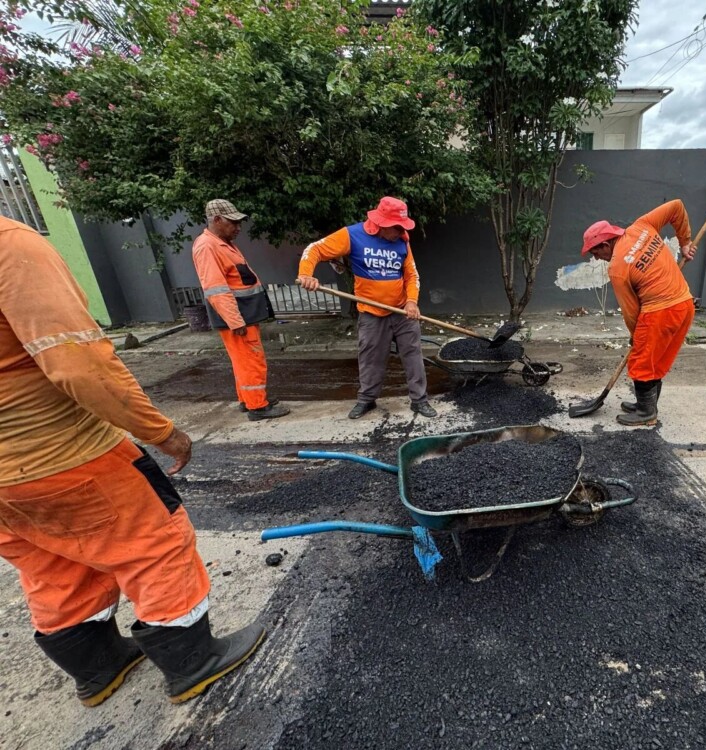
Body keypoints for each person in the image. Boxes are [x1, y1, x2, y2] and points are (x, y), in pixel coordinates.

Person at [0, 216, 264, 706]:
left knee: (51, 562)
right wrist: (162, 433)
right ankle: (193, 663)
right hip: (62, 455)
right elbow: (82, 366)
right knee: (156, 545)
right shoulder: (10, 247)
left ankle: (98, 670)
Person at [296, 196, 437, 419]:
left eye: (403, 226)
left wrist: (411, 301)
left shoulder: (402, 240)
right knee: (370, 358)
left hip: (402, 311)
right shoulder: (352, 235)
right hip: (372, 313)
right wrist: (306, 274)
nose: (401, 231)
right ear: (382, 223)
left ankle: (419, 400)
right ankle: (367, 399)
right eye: (397, 226)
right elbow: (314, 250)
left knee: (413, 355)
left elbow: (411, 275)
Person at [580, 200, 697, 426]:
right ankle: (647, 405)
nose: (595, 258)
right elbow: (677, 206)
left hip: (660, 312)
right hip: (684, 304)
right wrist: (685, 243)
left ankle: (646, 413)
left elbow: (631, 311)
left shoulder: (617, 268)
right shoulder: (642, 226)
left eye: (595, 252)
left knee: (641, 362)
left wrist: (637, 337)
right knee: (656, 360)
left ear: (606, 244)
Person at [192, 199, 290, 421]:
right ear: (217, 220)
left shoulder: (220, 243)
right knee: (251, 359)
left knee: (243, 360)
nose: (238, 227)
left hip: (241, 314)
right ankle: (258, 406)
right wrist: (235, 321)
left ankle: (249, 399)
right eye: (233, 222)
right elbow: (216, 289)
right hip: (237, 317)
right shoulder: (207, 246)